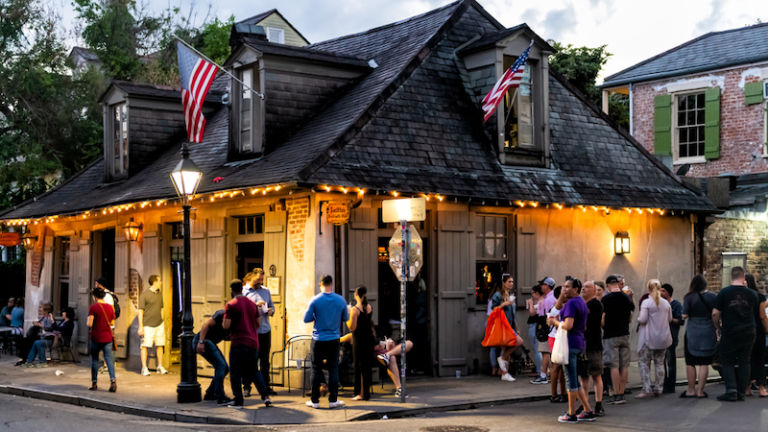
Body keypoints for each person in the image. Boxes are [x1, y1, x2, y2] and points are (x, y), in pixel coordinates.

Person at [548, 278, 596, 423]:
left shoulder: (571, 303)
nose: (565, 289)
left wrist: (554, 322)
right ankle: (587, 410)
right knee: (574, 379)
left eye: (568, 287)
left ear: (576, 289)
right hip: (579, 342)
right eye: (564, 286)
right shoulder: (580, 302)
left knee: (570, 380)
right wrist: (562, 296)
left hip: (569, 344)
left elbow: (568, 325)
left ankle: (571, 413)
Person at [713, 266, 761, 401]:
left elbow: (715, 313)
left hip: (730, 331)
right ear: (743, 277)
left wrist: (718, 327)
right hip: (749, 331)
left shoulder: (724, 292)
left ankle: (731, 390)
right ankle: (741, 391)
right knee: (745, 361)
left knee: (727, 361)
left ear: (731, 276)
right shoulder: (752, 294)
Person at [223, 279, 271, 408]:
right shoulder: (251, 304)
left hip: (238, 342)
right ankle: (265, 396)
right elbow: (259, 323)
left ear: (232, 290)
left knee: (235, 372)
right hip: (253, 342)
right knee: (254, 370)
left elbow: (226, 325)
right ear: (242, 288)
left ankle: (238, 401)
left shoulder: (231, 304)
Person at [304, 275, 349, 409]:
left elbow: (306, 319)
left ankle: (315, 401)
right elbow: (346, 317)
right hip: (334, 339)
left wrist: (317, 315)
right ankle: (333, 400)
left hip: (318, 339)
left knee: (316, 369)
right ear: (332, 284)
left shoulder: (315, 300)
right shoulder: (341, 300)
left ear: (320, 284)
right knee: (333, 369)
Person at [681, 274, 717, 398]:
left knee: (690, 362)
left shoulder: (689, 297)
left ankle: (690, 390)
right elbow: (715, 314)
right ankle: (700, 391)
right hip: (708, 331)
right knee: (704, 363)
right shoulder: (713, 296)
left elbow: (684, 315)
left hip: (692, 332)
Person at [636, 279, 672, 398]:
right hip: (663, 338)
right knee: (660, 363)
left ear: (648, 289)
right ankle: (658, 388)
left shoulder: (646, 302)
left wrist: (637, 319)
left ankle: (646, 388)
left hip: (648, 338)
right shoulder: (666, 303)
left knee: (644, 363)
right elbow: (670, 319)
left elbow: (643, 319)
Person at [601, 274, 634, 405]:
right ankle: (622, 393)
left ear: (608, 285)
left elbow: (602, 319)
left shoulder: (606, 299)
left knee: (613, 365)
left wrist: (604, 325)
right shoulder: (627, 298)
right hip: (624, 334)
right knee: (624, 365)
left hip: (610, 335)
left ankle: (615, 393)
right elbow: (630, 317)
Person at [244, 269, 277, 396]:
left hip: (265, 330)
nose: (260, 282)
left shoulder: (266, 291)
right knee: (250, 359)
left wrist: (271, 311)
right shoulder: (244, 292)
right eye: (258, 279)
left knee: (264, 360)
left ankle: (266, 387)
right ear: (251, 277)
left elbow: (272, 307)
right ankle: (247, 386)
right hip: (251, 331)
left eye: (262, 279)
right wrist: (255, 306)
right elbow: (242, 311)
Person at [577, 280, 604, 417]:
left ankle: (598, 404)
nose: (583, 289)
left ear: (594, 290)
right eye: (582, 287)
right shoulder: (585, 304)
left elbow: (586, 324)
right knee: (584, 377)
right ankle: (584, 404)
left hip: (593, 345)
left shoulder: (595, 304)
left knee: (596, 375)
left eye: (587, 287)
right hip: (584, 344)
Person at [195, 309, 232, 405]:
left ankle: (210, 393)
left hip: (210, 342)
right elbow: (205, 325)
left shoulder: (236, 321)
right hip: (204, 341)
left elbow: (226, 335)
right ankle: (220, 397)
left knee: (225, 369)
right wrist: (201, 342)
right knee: (221, 366)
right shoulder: (221, 314)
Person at [347, 285, 375, 401]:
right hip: (369, 338)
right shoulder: (369, 307)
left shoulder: (355, 310)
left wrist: (347, 316)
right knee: (366, 366)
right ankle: (366, 393)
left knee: (359, 366)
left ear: (356, 294)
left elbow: (352, 327)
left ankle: (360, 393)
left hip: (359, 339)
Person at [87, 288, 116, 392]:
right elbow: (112, 323)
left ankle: (94, 383)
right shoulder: (110, 307)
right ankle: (113, 381)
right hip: (107, 337)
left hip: (96, 337)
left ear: (95, 296)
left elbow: (90, 324)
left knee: (94, 360)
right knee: (109, 360)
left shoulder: (93, 307)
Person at [492, 273, 519, 382]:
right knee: (515, 343)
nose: (511, 283)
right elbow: (494, 310)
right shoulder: (497, 295)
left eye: (512, 281)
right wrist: (504, 304)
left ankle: (505, 372)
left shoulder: (510, 294)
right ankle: (503, 364)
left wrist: (515, 326)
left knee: (509, 347)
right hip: (502, 325)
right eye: (509, 281)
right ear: (503, 283)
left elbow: (513, 314)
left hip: (510, 325)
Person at [139, 275, 167, 376]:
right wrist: (140, 326)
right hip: (147, 325)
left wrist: (162, 320)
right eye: (160, 280)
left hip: (159, 324)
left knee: (160, 345)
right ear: (155, 282)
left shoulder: (159, 293)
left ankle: (159, 366)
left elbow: (162, 307)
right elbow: (140, 311)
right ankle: (144, 368)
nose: (161, 282)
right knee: (144, 346)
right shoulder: (144, 295)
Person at [745, 273, 768, 397]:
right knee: (759, 359)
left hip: (745, 330)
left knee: (747, 359)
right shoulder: (759, 296)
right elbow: (762, 316)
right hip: (758, 331)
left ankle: (747, 388)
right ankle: (761, 388)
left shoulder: (743, 297)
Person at [661, 283, 684, 394]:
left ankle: (671, 385)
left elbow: (681, 321)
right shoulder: (660, 304)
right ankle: (664, 383)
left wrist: (671, 319)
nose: (661, 293)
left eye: (663, 291)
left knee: (671, 361)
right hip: (661, 337)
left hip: (671, 336)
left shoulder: (676, 305)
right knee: (661, 361)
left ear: (668, 293)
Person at [533, 277, 556, 386]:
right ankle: (551, 374)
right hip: (551, 328)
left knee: (545, 352)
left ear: (547, 286)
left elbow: (545, 316)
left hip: (546, 328)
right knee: (548, 352)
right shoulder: (550, 297)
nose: (541, 286)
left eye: (543, 284)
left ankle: (543, 375)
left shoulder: (548, 299)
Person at [548, 285, 567, 403]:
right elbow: (551, 322)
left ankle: (563, 392)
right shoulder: (555, 308)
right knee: (556, 366)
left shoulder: (568, 305)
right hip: (555, 338)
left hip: (563, 338)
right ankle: (554, 394)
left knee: (562, 368)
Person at [526, 285, 543, 383]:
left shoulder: (541, 301)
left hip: (536, 326)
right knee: (537, 349)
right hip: (535, 325)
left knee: (537, 350)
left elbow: (532, 313)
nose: (531, 295)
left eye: (532, 293)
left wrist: (531, 304)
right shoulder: (540, 301)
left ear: (536, 293)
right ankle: (540, 371)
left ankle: (540, 372)